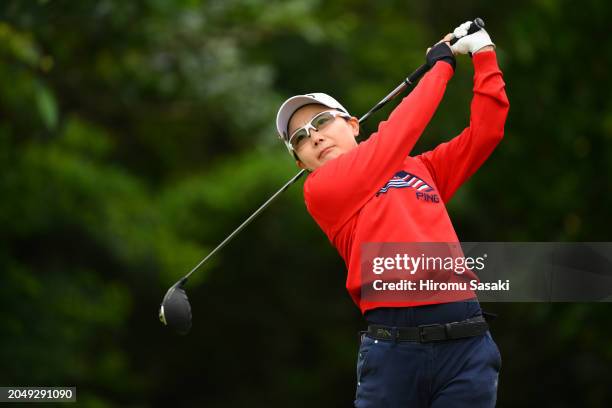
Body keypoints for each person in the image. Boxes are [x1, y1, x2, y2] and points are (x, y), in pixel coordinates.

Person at [275, 21, 509, 408]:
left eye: (321, 122)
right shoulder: (321, 190)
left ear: (352, 124)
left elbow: (486, 132)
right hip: (394, 353)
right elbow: (398, 132)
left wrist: (484, 55)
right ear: (301, 163)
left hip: (467, 346)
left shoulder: (421, 169)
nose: (313, 136)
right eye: (299, 139)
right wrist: (441, 68)